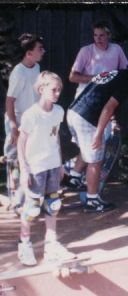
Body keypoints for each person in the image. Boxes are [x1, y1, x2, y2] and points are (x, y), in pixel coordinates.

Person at [67, 57, 128, 213]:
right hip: (86, 117)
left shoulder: (115, 73)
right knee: (96, 159)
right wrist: (98, 133)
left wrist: (111, 122)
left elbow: (100, 97)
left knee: (88, 150)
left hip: (74, 112)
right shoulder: (126, 84)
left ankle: (74, 177)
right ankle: (92, 200)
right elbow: (108, 108)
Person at [17, 71, 76, 266]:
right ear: (41, 90)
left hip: (52, 165)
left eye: (59, 90)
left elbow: (55, 136)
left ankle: (51, 245)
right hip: (35, 167)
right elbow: (20, 142)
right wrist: (24, 169)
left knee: (53, 205)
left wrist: (59, 164)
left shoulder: (59, 111)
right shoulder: (31, 115)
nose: (57, 93)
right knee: (32, 208)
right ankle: (24, 244)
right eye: (53, 90)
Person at [64, 20, 128, 190]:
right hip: (86, 103)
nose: (98, 39)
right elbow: (72, 77)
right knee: (92, 145)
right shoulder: (86, 51)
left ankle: (74, 176)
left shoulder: (117, 50)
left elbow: (125, 73)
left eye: (102, 35)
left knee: (92, 144)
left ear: (108, 35)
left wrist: (113, 119)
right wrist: (97, 78)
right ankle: (88, 191)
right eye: (95, 35)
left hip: (105, 103)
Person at [4, 33, 45, 212]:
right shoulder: (18, 73)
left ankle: (29, 197)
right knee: (14, 161)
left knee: (32, 159)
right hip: (17, 120)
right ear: (29, 53)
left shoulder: (37, 67)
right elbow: (9, 101)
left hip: (32, 121)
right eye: (39, 49)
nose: (43, 51)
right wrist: (13, 126)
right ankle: (16, 202)